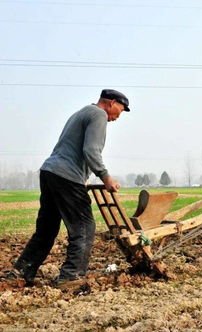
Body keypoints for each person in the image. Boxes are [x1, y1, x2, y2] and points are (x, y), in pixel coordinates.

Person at [6, 89, 129, 287]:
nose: (117, 117)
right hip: (66, 176)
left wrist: (83, 177)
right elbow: (91, 150)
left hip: (50, 172)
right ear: (111, 103)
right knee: (84, 226)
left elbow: (70, 149)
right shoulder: (99, 114)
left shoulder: (82, 112)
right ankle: (71, 275)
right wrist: (105, 176)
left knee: (46, 230)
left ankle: (22, 271)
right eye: (120, 111)